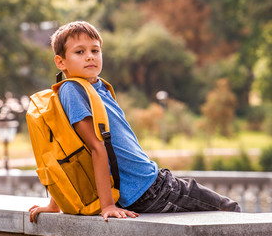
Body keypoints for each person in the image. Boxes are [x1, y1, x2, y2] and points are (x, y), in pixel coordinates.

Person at [29, 21, 240, 223]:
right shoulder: (72, 90)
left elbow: (71, 150)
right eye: (80, 52)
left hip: (148, 185)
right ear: (60, 62)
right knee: (230, 210)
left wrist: (55, 204)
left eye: (95, 50)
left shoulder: (98, 87)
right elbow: (90, 147)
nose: (90, 57)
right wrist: (107, 206)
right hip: (149, 188)